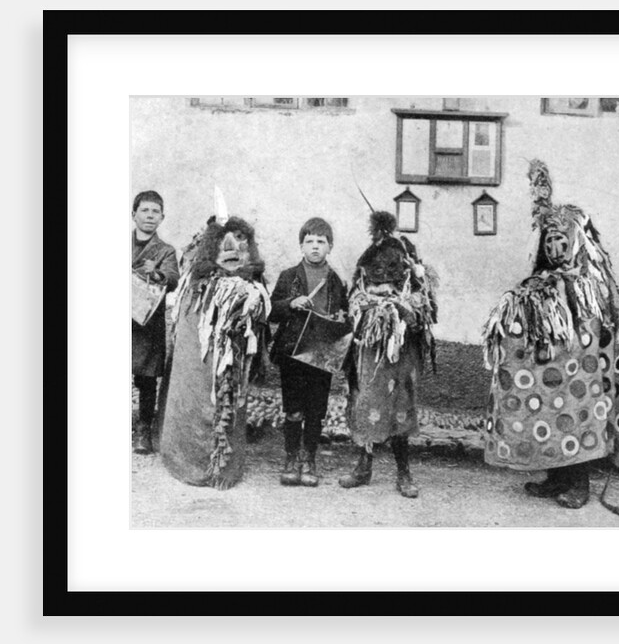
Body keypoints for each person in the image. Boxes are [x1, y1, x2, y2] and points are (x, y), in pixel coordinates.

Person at [482, 160, 619, 509]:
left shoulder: (589, 283)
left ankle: (578, 483)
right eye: (549, 242)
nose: (554, 248)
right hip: (549, 371)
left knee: (576, 415)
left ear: (574, 243)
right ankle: (555, 478)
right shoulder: (541, 280)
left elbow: (595, 327)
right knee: (546, 416)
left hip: (580, 372)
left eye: (561, 241)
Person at [159, 211, 270, 490]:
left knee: (231, 398)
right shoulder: (195, 289)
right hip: (199, 364)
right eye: (223, 240)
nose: (232, 246)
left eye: (241, 239)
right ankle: (192, 462)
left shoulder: (254, 289)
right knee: (195, 397)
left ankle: (224, 465)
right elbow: (185, 330)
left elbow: (258, 329)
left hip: (233, 366)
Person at [338, 210, 438, 498]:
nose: (383, 271)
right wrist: (367, 308)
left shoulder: (411, 280)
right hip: (369, 354)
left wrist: (404, 311)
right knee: (365, 402)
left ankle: (403, 472)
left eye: (389, 266)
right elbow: (354, 302)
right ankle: (363, 467)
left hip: (400, 356)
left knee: (400, 407)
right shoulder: (363, 278)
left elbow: (422, 308)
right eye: (377, 267)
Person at [269, 218, 349, 487]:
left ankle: (309, 459)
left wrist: (339, 317)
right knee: (293, 409)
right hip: (292, 351)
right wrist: (291, 302)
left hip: (321, 353)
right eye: (310, 242)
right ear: (301, 246)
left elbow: (346, 316)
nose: (315, 247)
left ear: (330, 247)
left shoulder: (337, 281)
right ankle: (291, 458)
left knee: (315, 410)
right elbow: (271, 310)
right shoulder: (288, 276)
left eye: (321, 242)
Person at [131, 190, 179, 454]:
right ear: (133, 214)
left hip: (147, 322)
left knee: (147, 378)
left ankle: (143, 430)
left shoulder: (166, 250)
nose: (150, 216)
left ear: (162, 217)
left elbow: (173, 279)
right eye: (145, 210)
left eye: (155, 212)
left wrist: (157, 272)